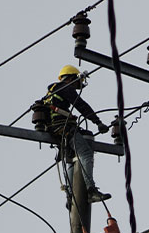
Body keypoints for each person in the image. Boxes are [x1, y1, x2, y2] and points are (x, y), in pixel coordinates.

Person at [44, 64, 111, 204]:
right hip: (64, 128)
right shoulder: (64, 87)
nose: (76, 87)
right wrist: (97, 122)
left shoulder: (50, 92)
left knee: (70, 159)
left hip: (55, 130)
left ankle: (69, 197)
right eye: (76, 83)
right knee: (85, 153)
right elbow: (80, 105)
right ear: (70, 79)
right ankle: (91, 191)